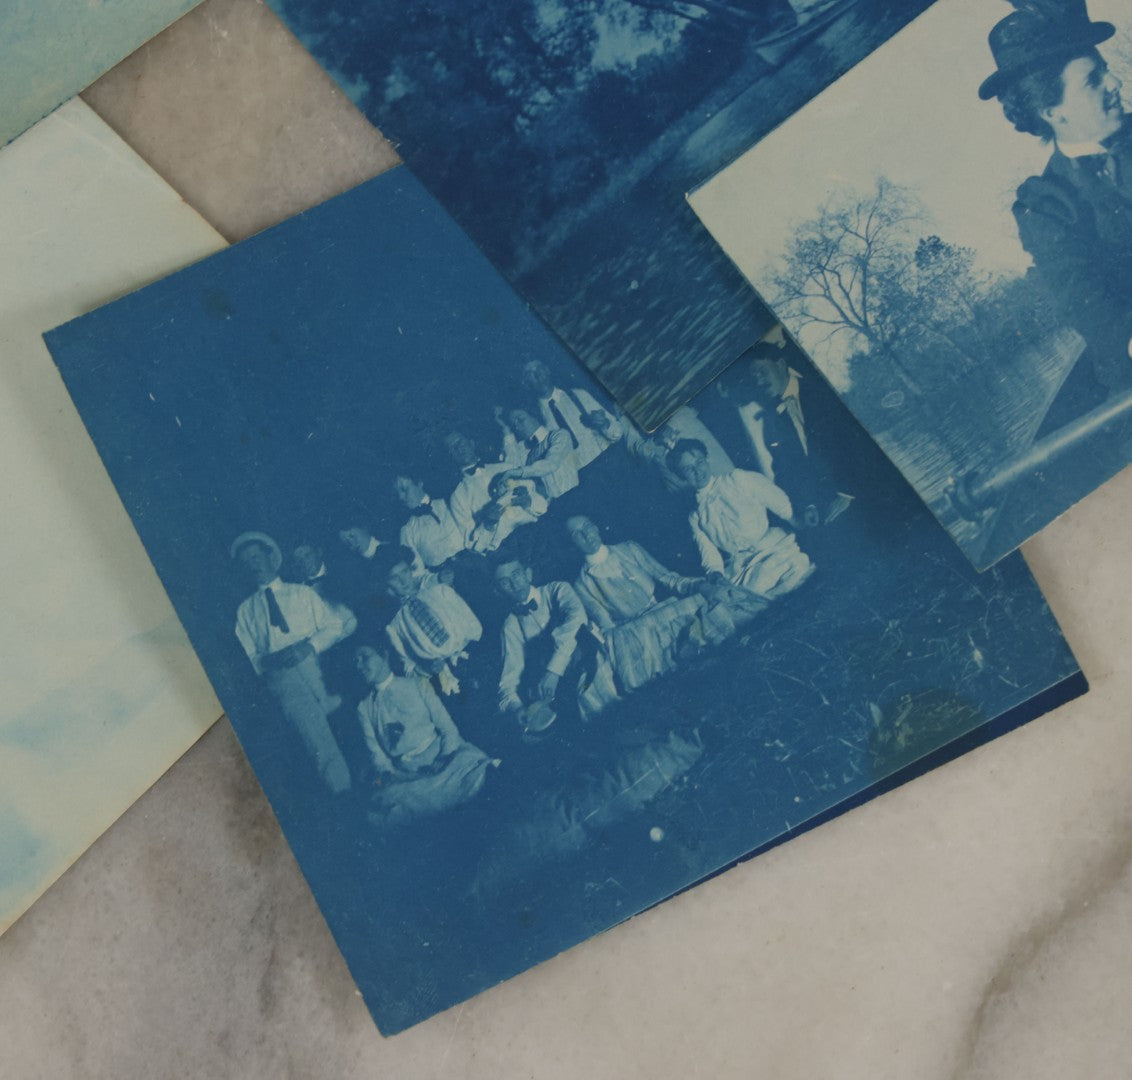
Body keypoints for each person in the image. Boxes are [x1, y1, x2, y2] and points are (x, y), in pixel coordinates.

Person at [980, 0, 1132, 419]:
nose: (1116, 82)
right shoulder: (1043, 206)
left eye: (1107, 69)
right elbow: (1091, 308)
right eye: (1093, 80)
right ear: (1053, 112)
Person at [232, 531, 355, 794]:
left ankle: (372, 780)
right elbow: (250, 658)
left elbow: (333, 625)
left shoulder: (301, 593)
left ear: (270, 557)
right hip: (283, 680)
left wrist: (308, 647)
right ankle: (344, 794)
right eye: (246, 562)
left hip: (318, 665)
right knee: (317, 741)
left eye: (256, 557)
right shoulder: (245, 611)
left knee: (346, 722)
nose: (253, 565)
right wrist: (268, 663)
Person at [567, 516, 720, 698]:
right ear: (572, 544)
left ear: (596, 527)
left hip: (663, 611)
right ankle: (679, 654)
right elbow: (606, 623)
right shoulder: (581, 584)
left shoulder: (629, 549)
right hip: (634, 630)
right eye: (577, 534)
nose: (586, 534)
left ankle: (682, 651)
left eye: (588, 526)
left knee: (706, 600)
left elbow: (667, 577)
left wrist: (697, 585)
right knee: (627, 648)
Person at [353, 645, 494, 823]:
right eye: (355, 662)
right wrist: (403, 776)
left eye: (364, 657)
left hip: (444, 755)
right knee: (386, 805)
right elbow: (378, 757)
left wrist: (442, 759)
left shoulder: (417, 684)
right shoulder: (364, 708)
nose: (359, 665)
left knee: (473, 766)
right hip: (407, 772)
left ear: (384, 655)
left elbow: (448, 729)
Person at [669, 440, 814, 602]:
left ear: (707, 459)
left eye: (699, 462)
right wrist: (717, 576)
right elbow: (709, 554)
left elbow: (775, 499)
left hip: (773, 547)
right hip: (743, 566)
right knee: (750, 594)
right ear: (681, 476)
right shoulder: (695, 517)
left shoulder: (737, 479)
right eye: (688, 469)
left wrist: (797, 520)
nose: (697, 470)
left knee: (796, 572)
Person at [494, 557, 593, 730]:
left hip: (593, 664)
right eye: (504, 582)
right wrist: (517, 709)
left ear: (528, 574)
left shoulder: (558, 589)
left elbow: (578, 621)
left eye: (516, 575)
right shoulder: (510, 625)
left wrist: (553, 671)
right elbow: (508, 678)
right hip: (564, 693)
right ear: (498, 592)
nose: (514, 584)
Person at [378, 545, 482, 695]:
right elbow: (408, 667)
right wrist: (427, 668)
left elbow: (474, 626)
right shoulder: (394, 626)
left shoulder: (441, 591)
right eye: (394, 578)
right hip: (442, 678)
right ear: (386, 584)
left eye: (405, 572)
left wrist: (471, 654)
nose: (403, 581)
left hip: (472, 656)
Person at [521, 358, 623, 469]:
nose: (538, 375)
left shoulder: (579, 395)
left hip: (608, 461)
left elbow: (618, 431)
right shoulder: (534, 420)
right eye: (530, 373)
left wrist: (604, 424)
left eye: (540, 368)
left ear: (547, 370)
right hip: (580, 477)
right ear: (526, 384)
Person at [623, 405, 734, 493]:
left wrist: (669, 427)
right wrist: (653, 442)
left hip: (718, 471)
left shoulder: (682, 416)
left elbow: (688, 410)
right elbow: (635, 449)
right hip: (683, 484)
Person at [501, 405, 580, 501]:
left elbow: (550, 464)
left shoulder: (559, 435)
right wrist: (505, 428)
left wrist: (516, 472)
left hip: (576, 495)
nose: (517, 427)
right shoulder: (524, 449)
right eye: (514, 425)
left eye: (521, 420)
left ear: (536, 415)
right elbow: (512, 466)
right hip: (553, 506)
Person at [394, 474, 466, 569]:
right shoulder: (407, 531)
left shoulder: (450, 502)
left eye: (404, 489)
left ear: (419, 483)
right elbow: (416, 574)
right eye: (396, 493)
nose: (400, 497)